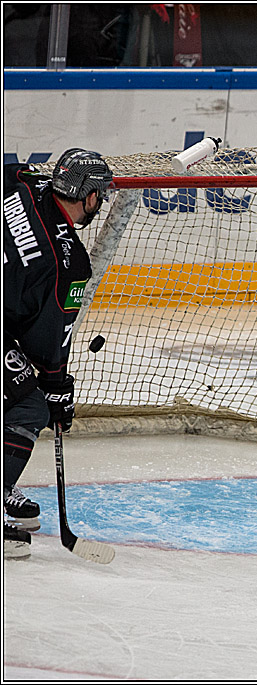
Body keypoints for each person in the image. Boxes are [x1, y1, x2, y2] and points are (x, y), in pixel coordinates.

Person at [3, 148, 113, 559]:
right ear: (89, 196)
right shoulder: (69, 266)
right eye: (100, 194)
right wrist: (57, 388)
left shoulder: (22, 180)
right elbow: (47, 342)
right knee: (28, 406)